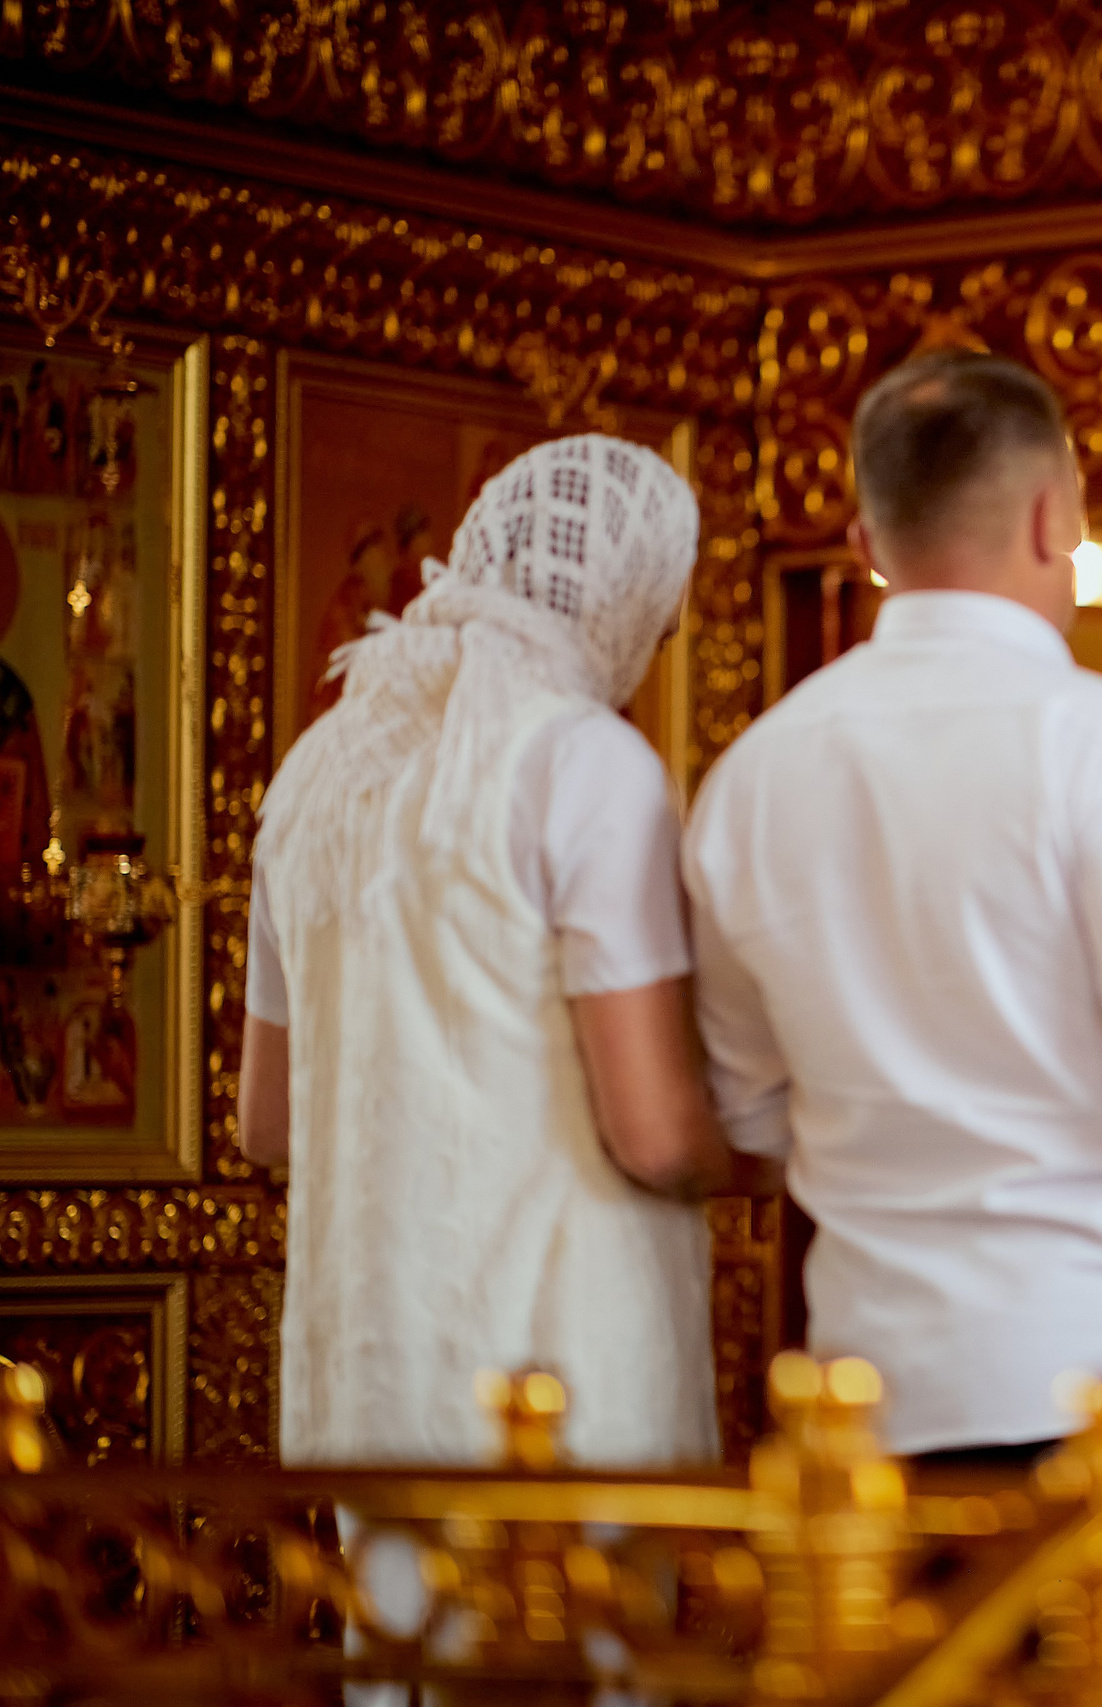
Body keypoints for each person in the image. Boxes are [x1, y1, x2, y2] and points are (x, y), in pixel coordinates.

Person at [683, 350, 1102, 1468]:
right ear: (1052, 515)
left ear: (866, 545)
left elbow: (745, 1113)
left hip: (875, 1400)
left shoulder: (754, 776)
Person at [237, 434, 752, 1471]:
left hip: (372, 1371)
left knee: (392, 1635)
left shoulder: (314, 774)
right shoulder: (582, 759)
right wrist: (783, 1152)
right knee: (580, 1633)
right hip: (565, 1363)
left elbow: (266, 1123)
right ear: (623, 595)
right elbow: (651, 1134)